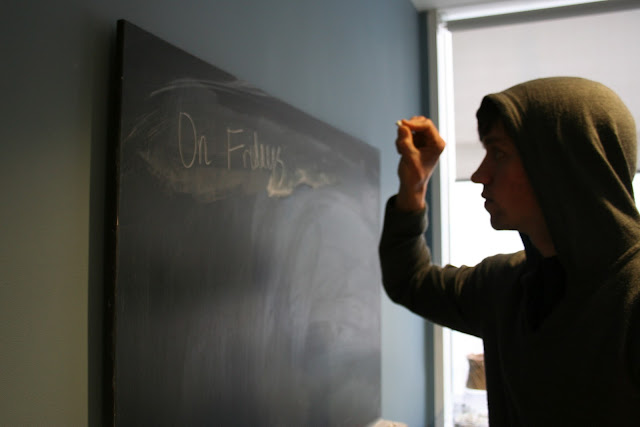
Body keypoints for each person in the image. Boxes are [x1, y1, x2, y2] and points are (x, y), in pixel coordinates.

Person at [379, 77, 640, 425]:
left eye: (499, 153)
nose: (479, 174)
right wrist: (414, 186)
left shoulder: (632, 298)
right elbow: (410, 280)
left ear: (562, 165)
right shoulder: (506, 285)